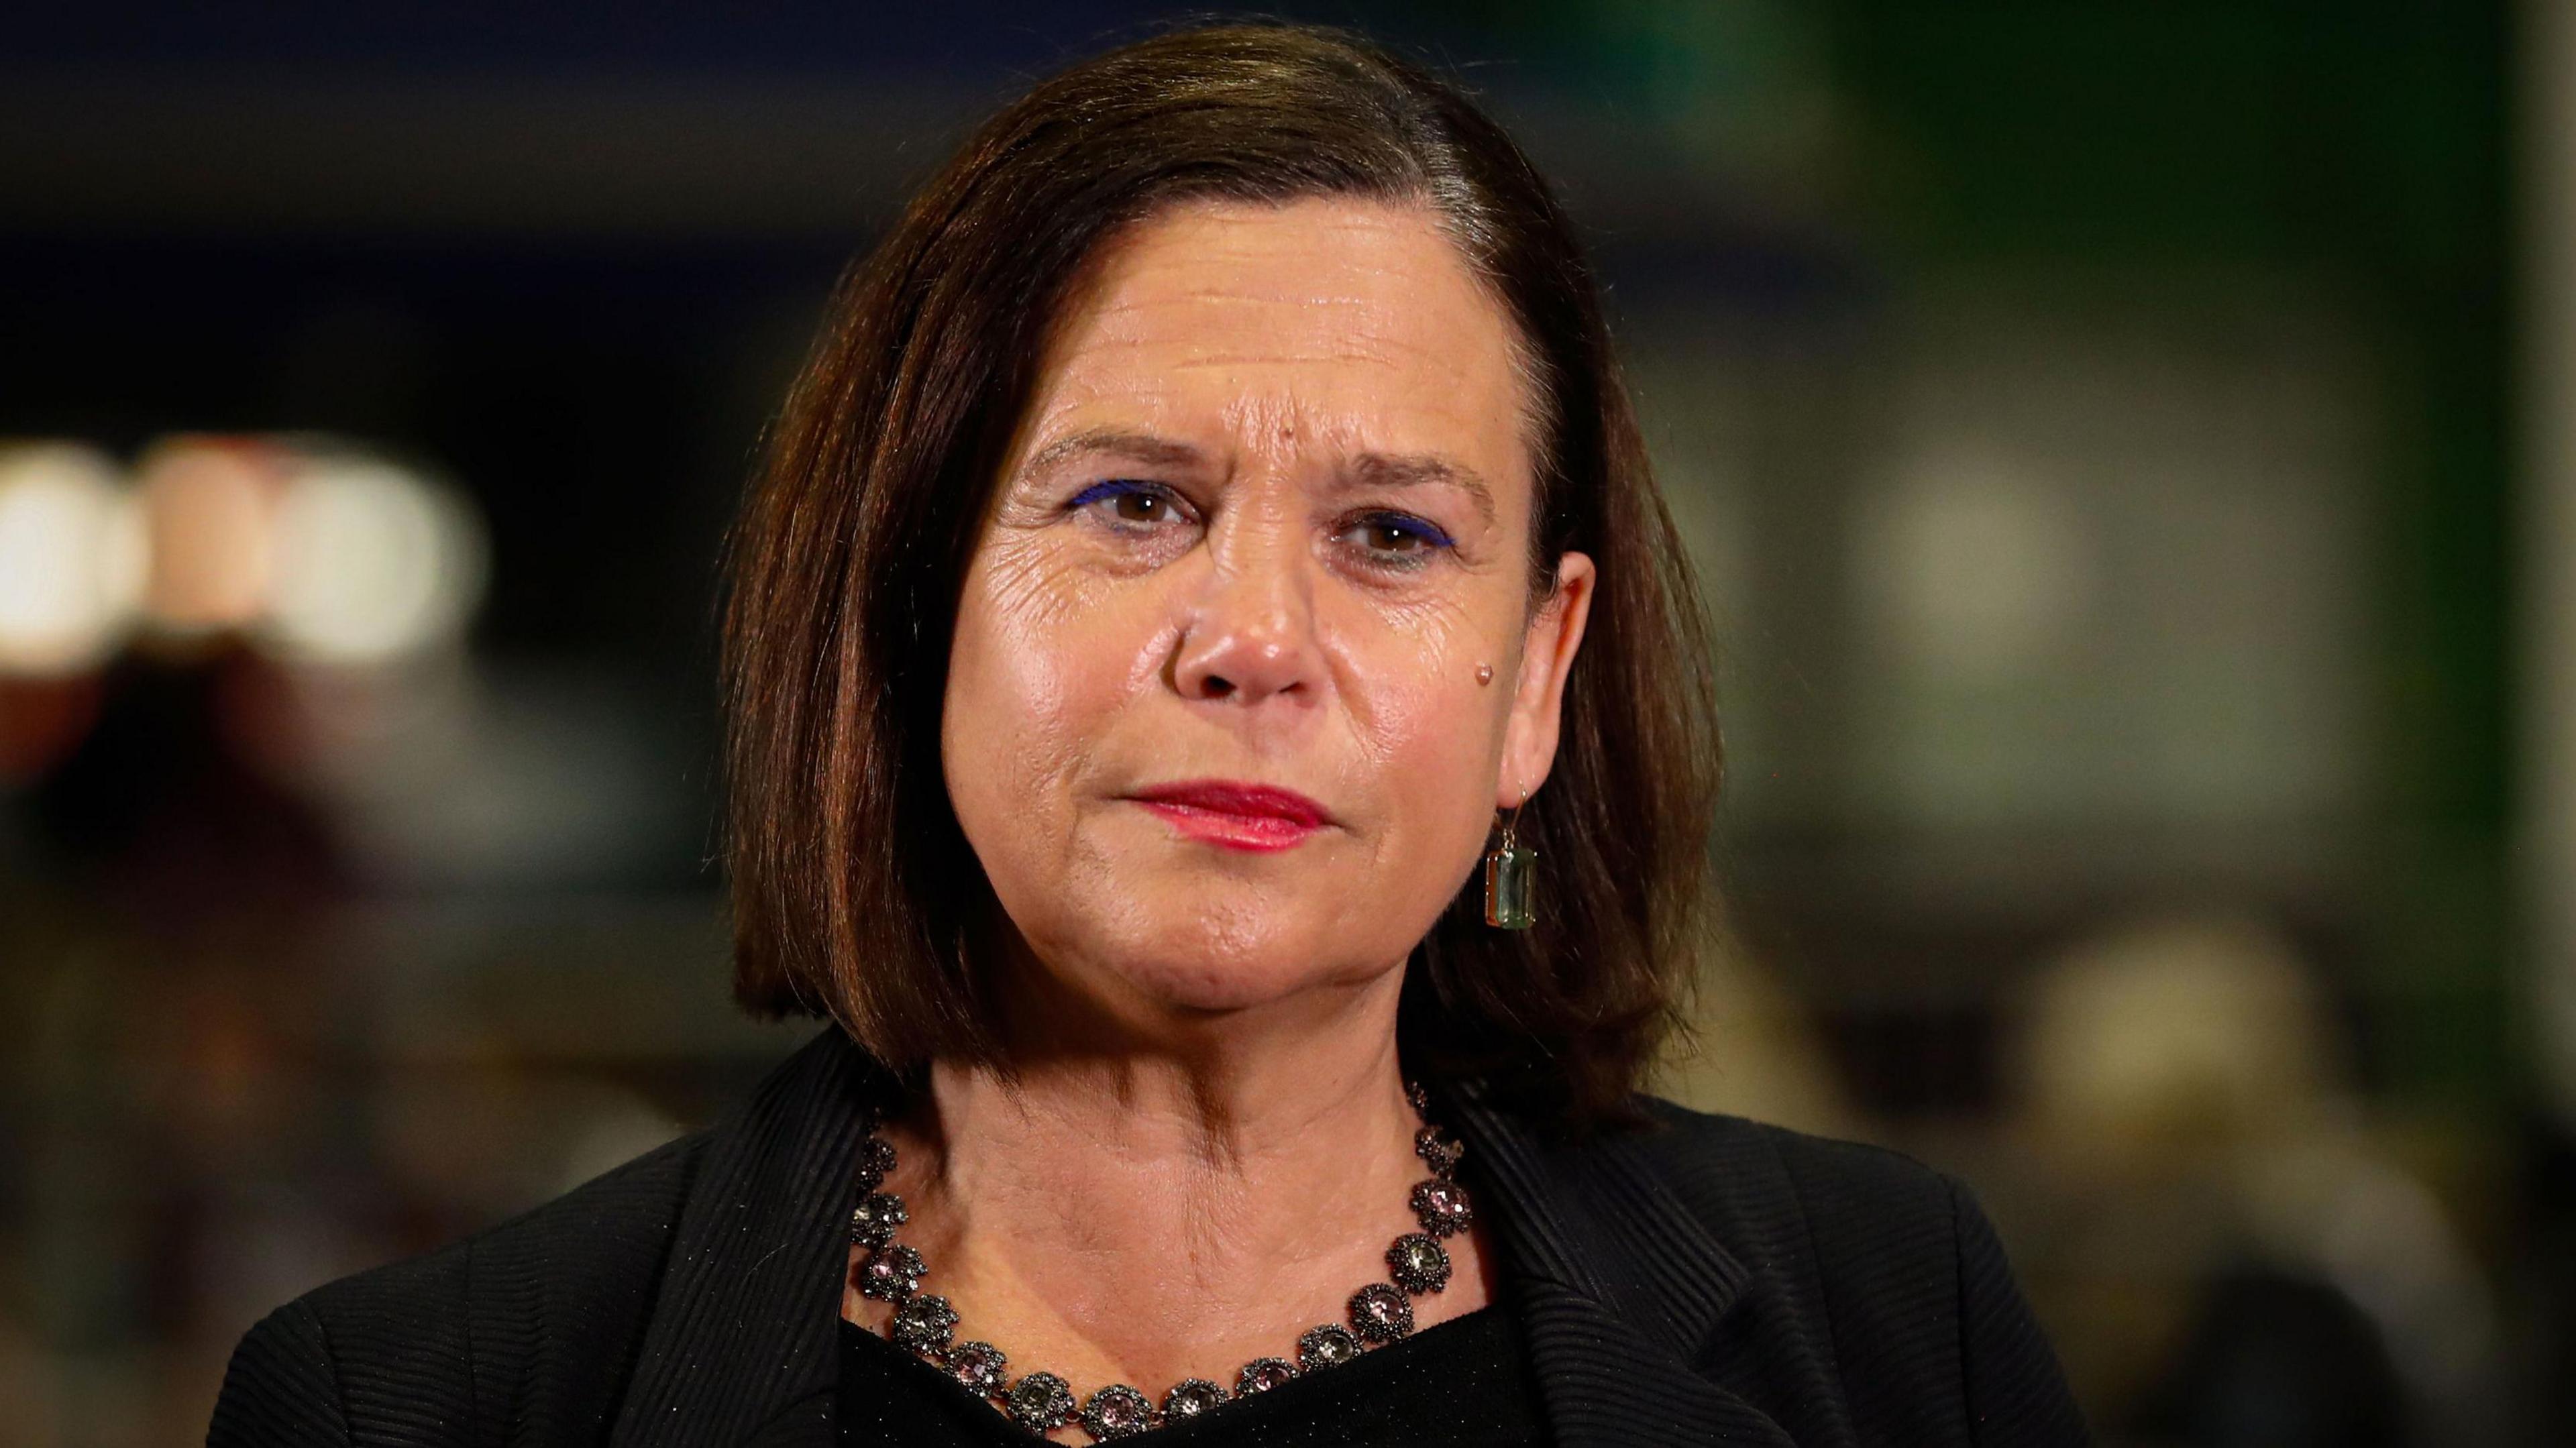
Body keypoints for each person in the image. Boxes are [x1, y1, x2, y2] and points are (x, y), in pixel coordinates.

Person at [208, 23, 2084, 1447]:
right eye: (1131, 504)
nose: (1254, 640)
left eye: (1394, 535)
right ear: (915, 592)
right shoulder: (415, 1408)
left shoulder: (1886, 1331)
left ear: (1537, 677)